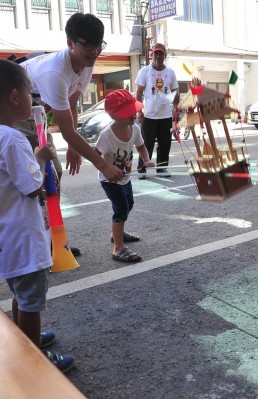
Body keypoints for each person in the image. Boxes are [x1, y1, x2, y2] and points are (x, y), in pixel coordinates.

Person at [0, 59, 75, 373]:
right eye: (30, 92)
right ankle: (34, 361)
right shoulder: (13, 139)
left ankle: (24, 336)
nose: (34, 101)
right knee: (31, 299)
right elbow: (32, 187)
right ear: (14, 97)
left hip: (3, 237)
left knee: (21, 293)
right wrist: (41, 157)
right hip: (23, 238)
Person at [18, 12, 124, 256]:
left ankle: (52, 239)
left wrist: (76, 147)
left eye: (98, 45)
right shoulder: (56, 72)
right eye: (88, 45)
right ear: (70, 43)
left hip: (35, 110)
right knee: (31, 176)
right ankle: (36, 246)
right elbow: (66, 130)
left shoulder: (86, 63)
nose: (95, 51)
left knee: (52, 174)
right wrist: (103, 165)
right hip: (12, 110)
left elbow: (72, 101)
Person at [94, 89, 155, 262]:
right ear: (113, 116)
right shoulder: (106, 136)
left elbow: (141, 147)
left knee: (128, 205)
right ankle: (118, 248)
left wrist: (146, 160)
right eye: (127, 112)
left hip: (125, 177)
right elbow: (95, 155)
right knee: (121, 209)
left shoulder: (134, 128)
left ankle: (117, 233)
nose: (133, 115)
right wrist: (107, 169)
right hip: (110, 180)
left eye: (133, 110)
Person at [135, 43, 179, 179]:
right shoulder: (145, 71)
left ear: (165, 56)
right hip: (149, 115)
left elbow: (175, 92)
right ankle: (142, 169)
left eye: (161, 54)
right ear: (152, 55)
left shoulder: (170, 72)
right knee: (146, 144)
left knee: (165, 144)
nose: (158, 56)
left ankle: (162, 169)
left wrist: (176, 107)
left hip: (165, 115)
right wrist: (139, 111)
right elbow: (138, 92)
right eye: (156, 53)